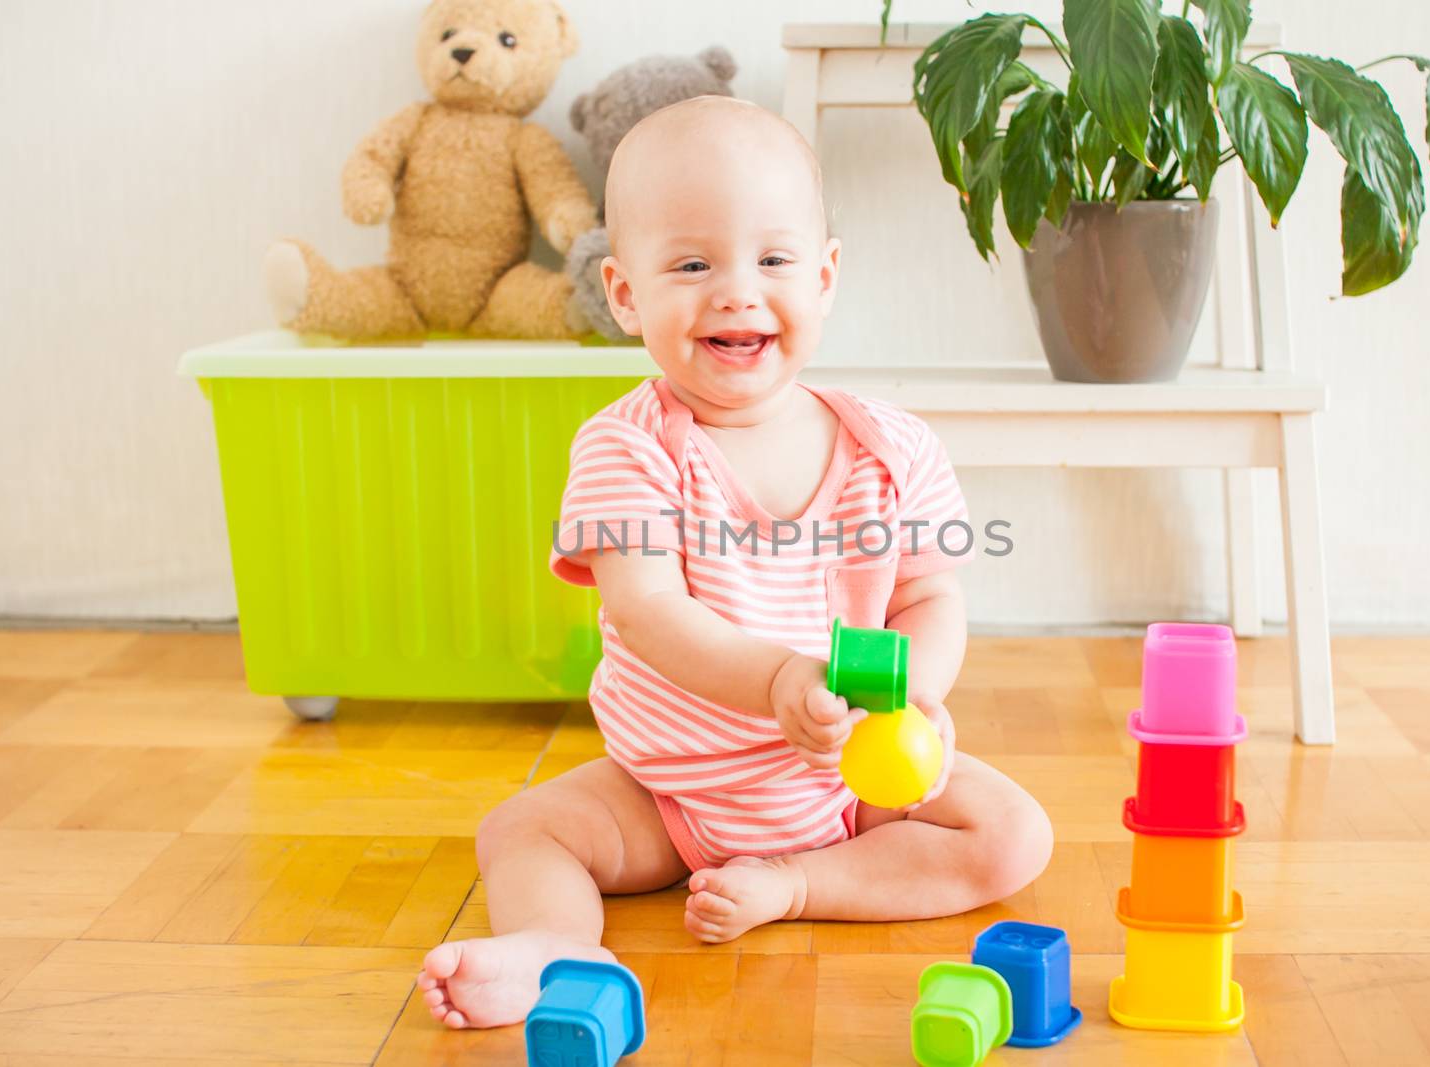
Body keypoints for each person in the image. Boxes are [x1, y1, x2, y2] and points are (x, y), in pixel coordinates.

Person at [417, 94, 1052, 1030]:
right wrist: (781, 679)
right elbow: (647, 610)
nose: (737, 291)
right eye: (691, 264)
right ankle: (556, 943)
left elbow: (929, 593)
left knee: (1012, 835)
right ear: (626, 293)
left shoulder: (896, 449)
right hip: (670, 790)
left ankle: (798, 882)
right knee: (521, 829)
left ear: (825, 278)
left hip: (850, 781)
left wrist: (914, 693)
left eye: (774, 259)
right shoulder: (625, 447)